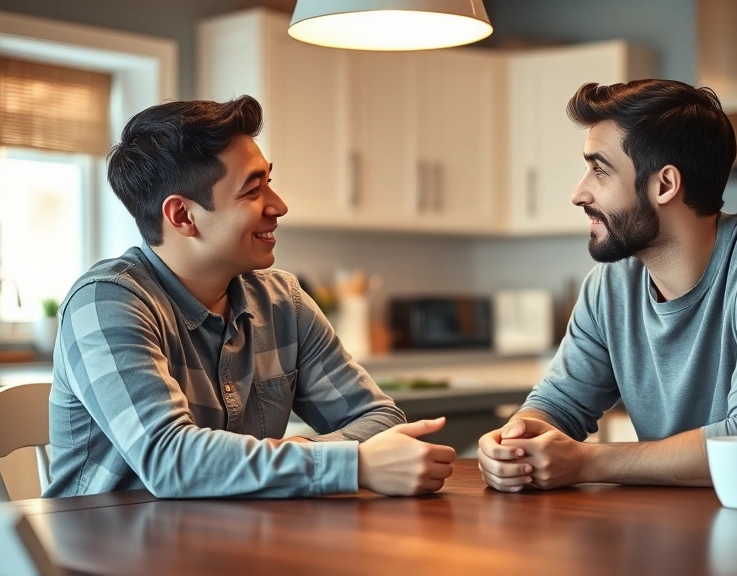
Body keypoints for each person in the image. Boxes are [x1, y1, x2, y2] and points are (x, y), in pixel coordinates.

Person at [45, 96, 455, 498]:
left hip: (233, 542)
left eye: (269, 183)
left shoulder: (283, 302)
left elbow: (380, 420)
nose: (279, 206)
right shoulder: (105, 303)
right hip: (103, 551)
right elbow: (170, 460)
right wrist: (352, 464)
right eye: (252, 190)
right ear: (183, 216)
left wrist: (292, 461)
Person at [478, 79, 737, 494]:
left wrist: (585, 461)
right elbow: (557, 406)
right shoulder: (609, 287)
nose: (579, 193)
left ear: (664, 185)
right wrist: (514, 442)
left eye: (599, 170)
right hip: (676, 539)